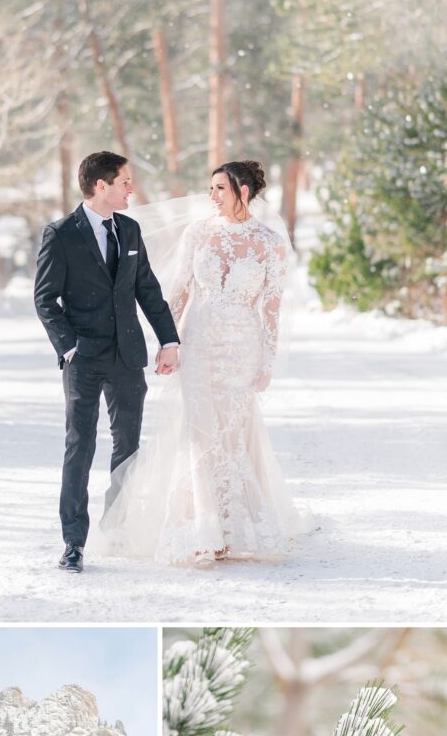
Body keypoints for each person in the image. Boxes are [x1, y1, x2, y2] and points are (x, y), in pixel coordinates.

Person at [96, 160, 309, 567]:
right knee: (198, 433)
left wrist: (266, 360)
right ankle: (201, 529)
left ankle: (233, 527)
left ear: (243, 191)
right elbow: (177, 293)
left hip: (242, 349)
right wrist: (168, 341)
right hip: (198, 342)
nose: (210, 197)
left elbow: (271, 309)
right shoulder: (198, 233)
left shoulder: (269, 243)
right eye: (210, 188)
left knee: (231, 434)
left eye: (219, 189)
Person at [34, 151, 180, 572]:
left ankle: (117, 528)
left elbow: (147, 290)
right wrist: (69, 346)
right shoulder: (60, 234)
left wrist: (168, 339)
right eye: (125, 182)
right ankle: (74, 542)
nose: (131, 188)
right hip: (83, 358)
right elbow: (45, 299)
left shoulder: (130, 230)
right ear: (102, 185)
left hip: (127, 356)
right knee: (80, 446)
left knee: (129, 447)